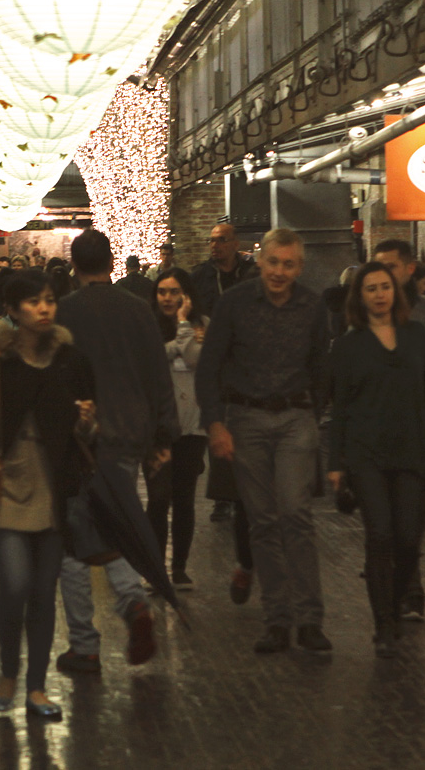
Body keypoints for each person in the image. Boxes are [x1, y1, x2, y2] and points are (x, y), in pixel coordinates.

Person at [0, 269, 97, 722]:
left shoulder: (70, 360)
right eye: (33, 302)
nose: (44, 308)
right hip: (8, 489)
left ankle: (36, 687)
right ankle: (8, 672)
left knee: (42, 592)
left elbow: (85, 433)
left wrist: (88, 420)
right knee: (14, 586)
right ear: (12, 310)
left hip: (55, 492)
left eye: (50, 300)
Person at [196, 228, 333, 654]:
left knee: (296, 514)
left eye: (288, 265)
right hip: (247, 418)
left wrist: (313, 410)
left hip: (295, 417)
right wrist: (216, 424)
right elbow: (210, 367)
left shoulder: (312, 307)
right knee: (263, 521)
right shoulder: (235, 303)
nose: (279, 272)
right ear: (260, 260)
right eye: (274, 262)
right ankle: (277, 620)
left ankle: (310, 620)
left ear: (299, 268)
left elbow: (322, 366)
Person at [54, 229, 178, 673]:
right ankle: (130, 603)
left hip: (80, 437)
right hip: (129, 432)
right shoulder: (138, 311)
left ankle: (86, 643)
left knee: (72, 542)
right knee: (114, 521)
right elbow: (157, 374)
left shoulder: (64, 313)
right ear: (112, 262)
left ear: (74, 265)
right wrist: (162, 437)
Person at [327, 262, 425, 657]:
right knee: (379, 533)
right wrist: (335, 461)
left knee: (409, 538)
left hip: (411, 448)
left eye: (385, 287)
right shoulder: (348, 345)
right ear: (359, 297)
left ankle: (396, 603)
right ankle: (384, 623)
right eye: (371, 289)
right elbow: (340, 406)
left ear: (395, 292)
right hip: (367, 452)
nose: (380, 294)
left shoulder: (414, 335)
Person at [192, 221, 259, 573]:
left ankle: (244, 491)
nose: (215, 246)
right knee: (218, 421)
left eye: (222, 241)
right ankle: (223, 496)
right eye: (212, 240)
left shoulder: (250, 274)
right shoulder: (201, 276)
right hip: (213, 357)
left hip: (246, 357)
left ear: (236, 244)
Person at [147, 268, 209, 589]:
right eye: (162, 291)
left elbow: (200, 359)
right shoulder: (146, 325)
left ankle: (180, 569)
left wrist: (184, 326)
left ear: (186, 294)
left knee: (184, 500)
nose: (168, 298)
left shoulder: (202, 324)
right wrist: (179, 345)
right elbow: (150, 359)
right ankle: (155, 568)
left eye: (174, 292)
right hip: (157, 426)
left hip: (192, 425)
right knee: (158, 499)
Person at [373, 239, 425, 387]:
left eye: (391, 267)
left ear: (410, 268)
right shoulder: (368, 311)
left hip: (423, 399)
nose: (385, 274)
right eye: (380, 268)